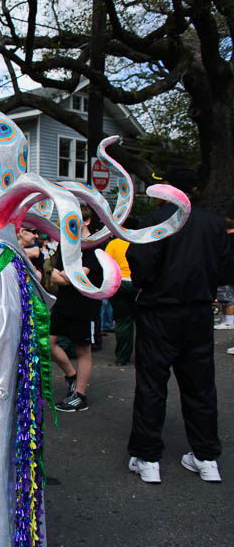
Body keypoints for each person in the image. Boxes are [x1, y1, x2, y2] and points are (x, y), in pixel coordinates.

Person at [126, 167, 232, 484]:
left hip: (159, 312)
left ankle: (148, 458)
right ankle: (206, 457)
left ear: (167, 189)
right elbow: (226, 269)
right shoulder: (213, 225)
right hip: (198, 312)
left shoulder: (155, 221)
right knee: (200, 386)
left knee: (151, 386)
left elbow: (142, 266)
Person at [49, 206, 102, 412]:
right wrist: (68, 276)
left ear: (87, 221)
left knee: (83, 349)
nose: (70, 223)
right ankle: (72, 376)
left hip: (85, 305)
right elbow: (54, 276)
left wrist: (68, 276)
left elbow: (79, 277)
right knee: (49, 343)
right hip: (64, 304)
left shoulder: (94, 246)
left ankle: (80, 395)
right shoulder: (66, 244)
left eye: (76, 219)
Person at [105, 217, 139, 366]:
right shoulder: (140, 242)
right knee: (142, 321)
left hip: (119, 284)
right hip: (137, 283)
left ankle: (122, 358)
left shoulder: (113, 244)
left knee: (123, 321)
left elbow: (106, 264)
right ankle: (144, 356)